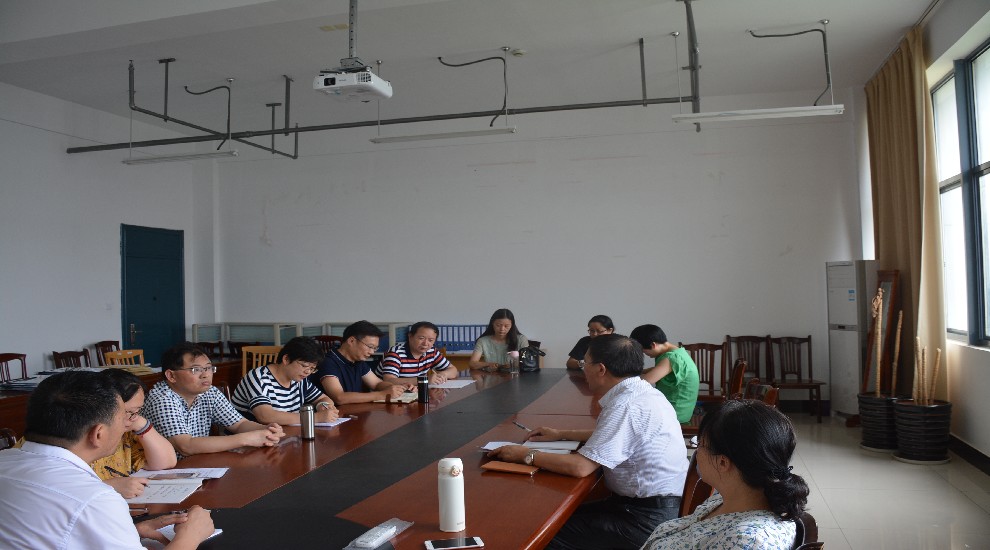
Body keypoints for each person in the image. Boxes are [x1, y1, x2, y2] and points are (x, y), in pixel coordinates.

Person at [488, 334, 688, 550]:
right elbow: (613, 435)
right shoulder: (642, 392)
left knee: (538, 535)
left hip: (644, 520)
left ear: (601, 369)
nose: (583, 369)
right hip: (651, 507)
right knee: (551, 518)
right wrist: (560, 434)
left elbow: (580, 467)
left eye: (585, 364)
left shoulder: (626, 406)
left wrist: (524, 454)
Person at [0, 370, 215, 549]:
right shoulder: (95, 498)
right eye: (122, 418)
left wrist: (133, 531)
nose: (126, 425)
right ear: (98, 434)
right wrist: (190, 535)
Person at [641, 400, 809, 549]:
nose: (697, 452)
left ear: (722, 462)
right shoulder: (730, 497)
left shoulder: (747, 542)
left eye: (700, 444)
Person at [143, 341, 285, 457]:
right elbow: (185, 446)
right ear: (171, 376)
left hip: (198, 464)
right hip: (165, 471)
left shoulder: (209, 392)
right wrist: (246, 439)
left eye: (209, 368)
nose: (206, 375)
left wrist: (266, 429)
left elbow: (239, 424)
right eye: (196, 370)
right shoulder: (162, 398)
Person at [93, 369, 178, 498]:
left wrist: (141, 424)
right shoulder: (79, 440)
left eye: (137, 411)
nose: (133, 418)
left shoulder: (126, 433)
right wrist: (111, 486)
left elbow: (166, 462)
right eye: (130, 412)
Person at [231, 336, 339, 424]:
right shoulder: (258, 377)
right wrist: (315, 418)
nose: (308, 372)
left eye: (312, 369)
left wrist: (322, 405)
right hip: (250, 439)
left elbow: (324, 398)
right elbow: (265, 416)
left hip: (284, 435)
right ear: (286, 359)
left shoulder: (300, 379)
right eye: (304, 366)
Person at [311, 320, 406, 404]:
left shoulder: (358, 361)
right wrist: (382, 395)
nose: (372, 352)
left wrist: (396, 388)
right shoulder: (328, 362)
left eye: (375, 348)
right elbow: (339, 397)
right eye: (370, 347)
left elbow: (377, 384)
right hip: (336, 415)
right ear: (351, 341)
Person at [629, 324, 701, 424]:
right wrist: (640, 371)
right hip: (678, 409)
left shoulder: (672, 358)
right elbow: (658, 370)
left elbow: (644, 381)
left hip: (676, 413)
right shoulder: (677, 351)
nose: (645, 355)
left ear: (653, 345)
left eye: (644, 352)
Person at [377, 321, 455, 385]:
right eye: (421, 338)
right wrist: (424, 380)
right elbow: (389, 381)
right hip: (387, 394)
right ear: (410, 336)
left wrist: (443, 375)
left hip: (412, 392)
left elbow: (453, 370)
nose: (425, 343)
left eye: (430, 340)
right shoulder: (395, 353)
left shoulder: (431, 351)